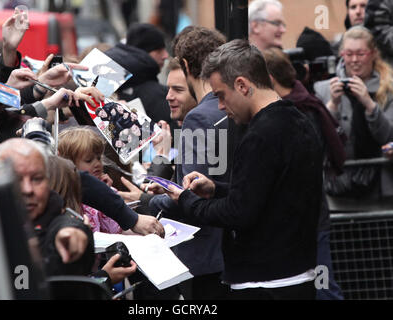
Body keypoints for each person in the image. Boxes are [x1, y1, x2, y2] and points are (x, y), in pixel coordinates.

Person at [164, 39, 323, 300]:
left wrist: (186, 200)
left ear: (242, 85)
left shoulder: (261, 134)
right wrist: (216, 189)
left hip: (265, 283)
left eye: (221, 96)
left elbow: (239, 213)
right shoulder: (298, 120)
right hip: (295, 274)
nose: (221, 107)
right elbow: (268, 193)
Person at [146, 28, 230, 300]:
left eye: (177, 88)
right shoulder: (231, 107)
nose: (169, 96)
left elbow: (193, 193)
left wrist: (146, 204)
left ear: (185, 65)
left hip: (207, 255)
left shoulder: (199, 117)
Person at [0, 138, 137, 285]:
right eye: (16, 178)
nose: (28, 189)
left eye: (37, 179)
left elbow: (64, 224)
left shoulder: (62, 223)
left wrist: (75, 230)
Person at [263, 47, 345, 300]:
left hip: (309, 222)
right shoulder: (306, 104)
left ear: (271, 80)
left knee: (323, 289)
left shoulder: (301, 113)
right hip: (304, 220)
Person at [314, 26, 393, 208]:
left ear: (372, 54)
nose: (354, 60)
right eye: (349, 54)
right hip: (339, 190)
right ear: (341, 54)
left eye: (361, 53)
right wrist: (333, 105)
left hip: (381, 193)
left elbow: (389, 138)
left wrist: (369, 104)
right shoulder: (323, 89)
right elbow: (317, 140)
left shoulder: (389, 89)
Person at [104, 23, 177, 131]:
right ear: (143, 52)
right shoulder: (158, 93)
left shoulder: (108, 84)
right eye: (158, 50)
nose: (165, 55)